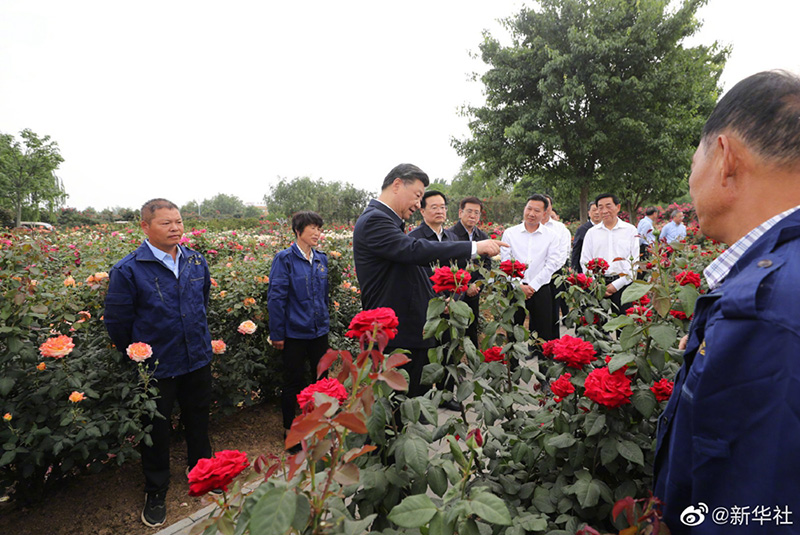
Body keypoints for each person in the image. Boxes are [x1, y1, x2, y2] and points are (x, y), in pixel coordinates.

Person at [653, 70, 800, 534]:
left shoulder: (768, 307)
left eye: (692, 159)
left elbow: (754, 511)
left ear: (725, 157)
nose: (691, 178)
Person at [352, 163, 507, 397]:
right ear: (397, 185)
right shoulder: (375, 220)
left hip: (407, 329)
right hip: (394, 333)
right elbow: (413, 250)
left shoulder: (388, 221)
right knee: (399, 410)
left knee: (412, 407)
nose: (418, 204)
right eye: (417, 196)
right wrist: (474, 247)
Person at [104, 199, 214, 528]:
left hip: (196, 358)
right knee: (156, 429)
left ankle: (201, 471)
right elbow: (117, 322)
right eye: (166, 223)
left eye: (178, 222)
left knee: (198, 420)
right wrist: (139, 353)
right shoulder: (128, 270)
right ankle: (156, 489)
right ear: (145, 227)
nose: (175, 228)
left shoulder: (196, 261)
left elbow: (202, 300)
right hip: (156, 368)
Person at [267, 211, 329, 447]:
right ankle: (290, 431)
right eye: (311, 228)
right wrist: (277, 333)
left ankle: (319, 424)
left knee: (321, 380)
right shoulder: (284, 259)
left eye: (319, 228)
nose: (316, 233)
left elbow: (324, 296)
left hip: (319, 331)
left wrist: (324, 320)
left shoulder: (321, 259)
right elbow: (276, 298)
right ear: (297, 231)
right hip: (294, 333)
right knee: (293, 381)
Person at [500, 194, 562, 356]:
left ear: (544, 213)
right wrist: (519, 285)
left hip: (540, 289)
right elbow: (506, 262)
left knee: (543, 334)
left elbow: (552, 264)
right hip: (515, 289)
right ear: (524, 209)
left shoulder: (551, 236)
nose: (531, 213)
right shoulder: (510, 233)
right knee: (512, 332)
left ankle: (544, 377)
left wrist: (532, 286)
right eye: (529, 208)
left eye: (537, 210)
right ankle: (511, 373)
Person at [580, 193, 639, 312]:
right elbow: (585, 261)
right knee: (599, 327)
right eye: (600, 207)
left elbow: (634, 262)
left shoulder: (630, 230)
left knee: (624, 326)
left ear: (618, 207)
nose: (604, 211)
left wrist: (616, 285)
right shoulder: (591, 233)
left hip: (623, 284)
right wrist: (596, 285)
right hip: (597, 284)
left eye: (608, 206)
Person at [448, 196, 491, 350]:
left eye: (477, 213)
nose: (473, 216)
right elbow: (450, 265)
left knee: (472, 326)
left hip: (474, 290)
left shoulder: (482, 237)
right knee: (453, 328)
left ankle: (474, 364)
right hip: (455, 291)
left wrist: (477, 284)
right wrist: (465, 286)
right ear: (460, 213)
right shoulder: (451, 235)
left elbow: (486, 264)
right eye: (469, 211)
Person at [542, 194, 571, 339]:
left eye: (546, 205)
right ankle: (535, 347)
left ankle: (553, 345)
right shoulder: (529, 227)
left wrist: (548, 270)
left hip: (554, 273)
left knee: (553, 309)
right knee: (536, 312)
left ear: (551, 207)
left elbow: (563, 254)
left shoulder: (560, 229)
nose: (544, 208)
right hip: (533, 274)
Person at [570, 202, 601, 273]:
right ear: (589, 213)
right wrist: (574, 269)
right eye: (594, 210)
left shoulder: (607, 229)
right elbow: (576, 251)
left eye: (598, 210)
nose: (596, 213)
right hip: (587, 269)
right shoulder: (582, 229)